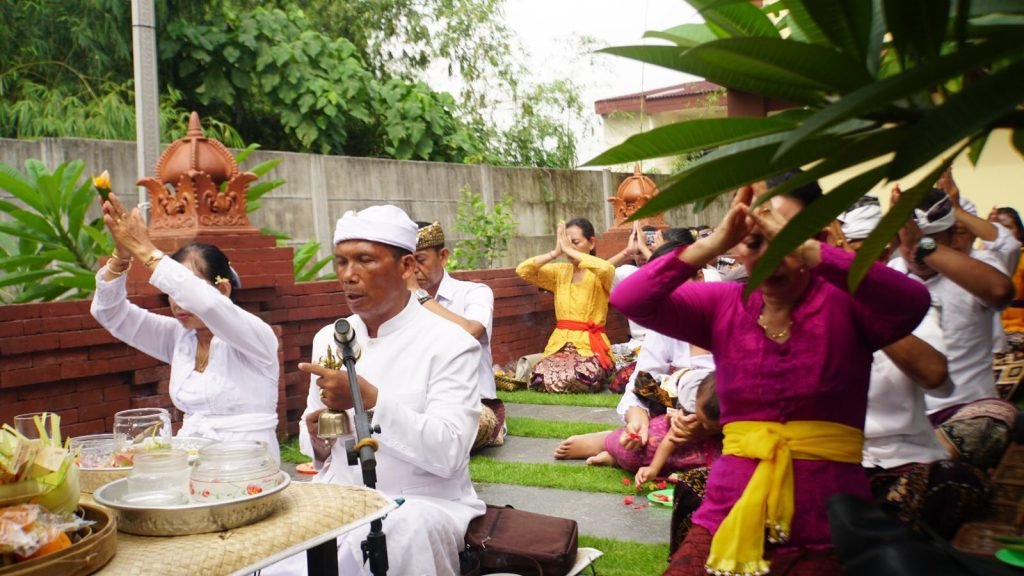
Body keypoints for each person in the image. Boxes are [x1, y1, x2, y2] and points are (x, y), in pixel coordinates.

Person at [612, 173, 931, 576]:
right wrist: (714, 242)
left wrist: (811, 251)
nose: (772, 255)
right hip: (730, 508)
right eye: (755, 241)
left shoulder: (849, 304)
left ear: (818, 239)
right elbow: (629, 298)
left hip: (829, 519)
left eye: (787, 238)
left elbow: (912, 301)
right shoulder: (723, 304)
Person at [283, 205, 484, 576]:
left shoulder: (451, 344)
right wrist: (317, 436)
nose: (348, 275)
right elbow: (319, 451)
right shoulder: (329, 338)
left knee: (398, 530)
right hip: (340, 497)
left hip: (423, 504)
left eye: (364, 260)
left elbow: (450, 451)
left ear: (406, 267)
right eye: (341, 262)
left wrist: (369, 400)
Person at [89, 193, 280, 459]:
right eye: (172, 293)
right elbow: (110, 313)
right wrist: (121, 256)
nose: (178, 303)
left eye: (184, 292)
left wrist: (145, 249)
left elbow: (207, 304)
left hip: (250, 462)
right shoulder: (179, 337)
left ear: (223, 290)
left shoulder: (255, 336)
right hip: (191, 460)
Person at [841, 201, 990, 538]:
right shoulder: (804, 306)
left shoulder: (908, 299)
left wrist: (862, 305)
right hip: (833, 456)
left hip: (904, 456)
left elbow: (936, 378)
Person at [890, 187, 1017, 471]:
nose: (915, 251)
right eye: (907, 239)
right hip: (907, 422)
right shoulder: (890, 275)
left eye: (931, 239)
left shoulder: (976, 268)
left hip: (967, 413)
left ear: (952, 237)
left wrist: (923, 244)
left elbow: (1000, 291)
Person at [411, 220, 504, 451]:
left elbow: (471, 332)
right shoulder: (399, 302)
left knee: (454, 430)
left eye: (420, 260)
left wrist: (419, 296)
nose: (413, 270)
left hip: (473, 405)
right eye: (407, 262)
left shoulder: (474, 292)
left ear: (443, 256)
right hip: (417, 403)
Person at [516, 217, 614, 393]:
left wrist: (570, 250)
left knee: (580, 375)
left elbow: (607, 268)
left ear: (592, 242)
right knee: (540, 376)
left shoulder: (600, 273)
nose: (569, 249)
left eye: (575, 242)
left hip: (589, 347)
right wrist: (555, 253)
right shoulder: (559, 271)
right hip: (559, 344)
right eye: (566, 244)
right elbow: (523, 270)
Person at [588, 369, 721, 486]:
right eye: (702, 421)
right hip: (671, 391)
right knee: (648, 446)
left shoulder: (726, 416)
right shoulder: (691, 408)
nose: (704, 426)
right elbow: (671, 438)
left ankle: (613, 460)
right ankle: (613, 453)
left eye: (710, 426)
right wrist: (653, 468)